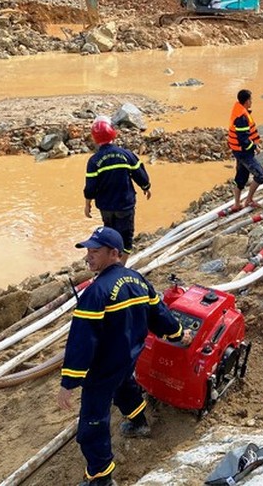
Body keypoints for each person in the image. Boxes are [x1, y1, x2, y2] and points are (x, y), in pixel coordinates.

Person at [58, 226, 191, 486]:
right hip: (128, 357)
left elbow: (81, 341)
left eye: (95, 252)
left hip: (103, 367)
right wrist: (178, 334)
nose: (88, 258)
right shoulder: (137, 279)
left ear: (114, 253)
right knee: (125, 386)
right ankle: (139, 422)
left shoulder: (96, 293)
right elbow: (159, 315)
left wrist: (69, 383)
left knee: (91, 425)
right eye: (88, 252)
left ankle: (100, 477)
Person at [83, 116, 152, 266]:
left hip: (106, 206)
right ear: (114, 134)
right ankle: (120, 267)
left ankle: (109, 264)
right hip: (124, 204)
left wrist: (87, 204)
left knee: (110, 234)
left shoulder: (94, 161)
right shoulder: (126, 155)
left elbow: (90, 186)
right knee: (126, 237)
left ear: (95, 138)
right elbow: (139, 174)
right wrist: (146, 187)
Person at [227, 89, 263, 211]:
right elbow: (243, 139)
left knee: (241, 177)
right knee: (260, 175)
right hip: (243, 152)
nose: (251, 102)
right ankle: (248, 200)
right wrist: (254, 147)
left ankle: (237, 204)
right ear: (247, 101)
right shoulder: (241, 118)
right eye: (251, 100)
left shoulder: (239, 111)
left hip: (238, 151)